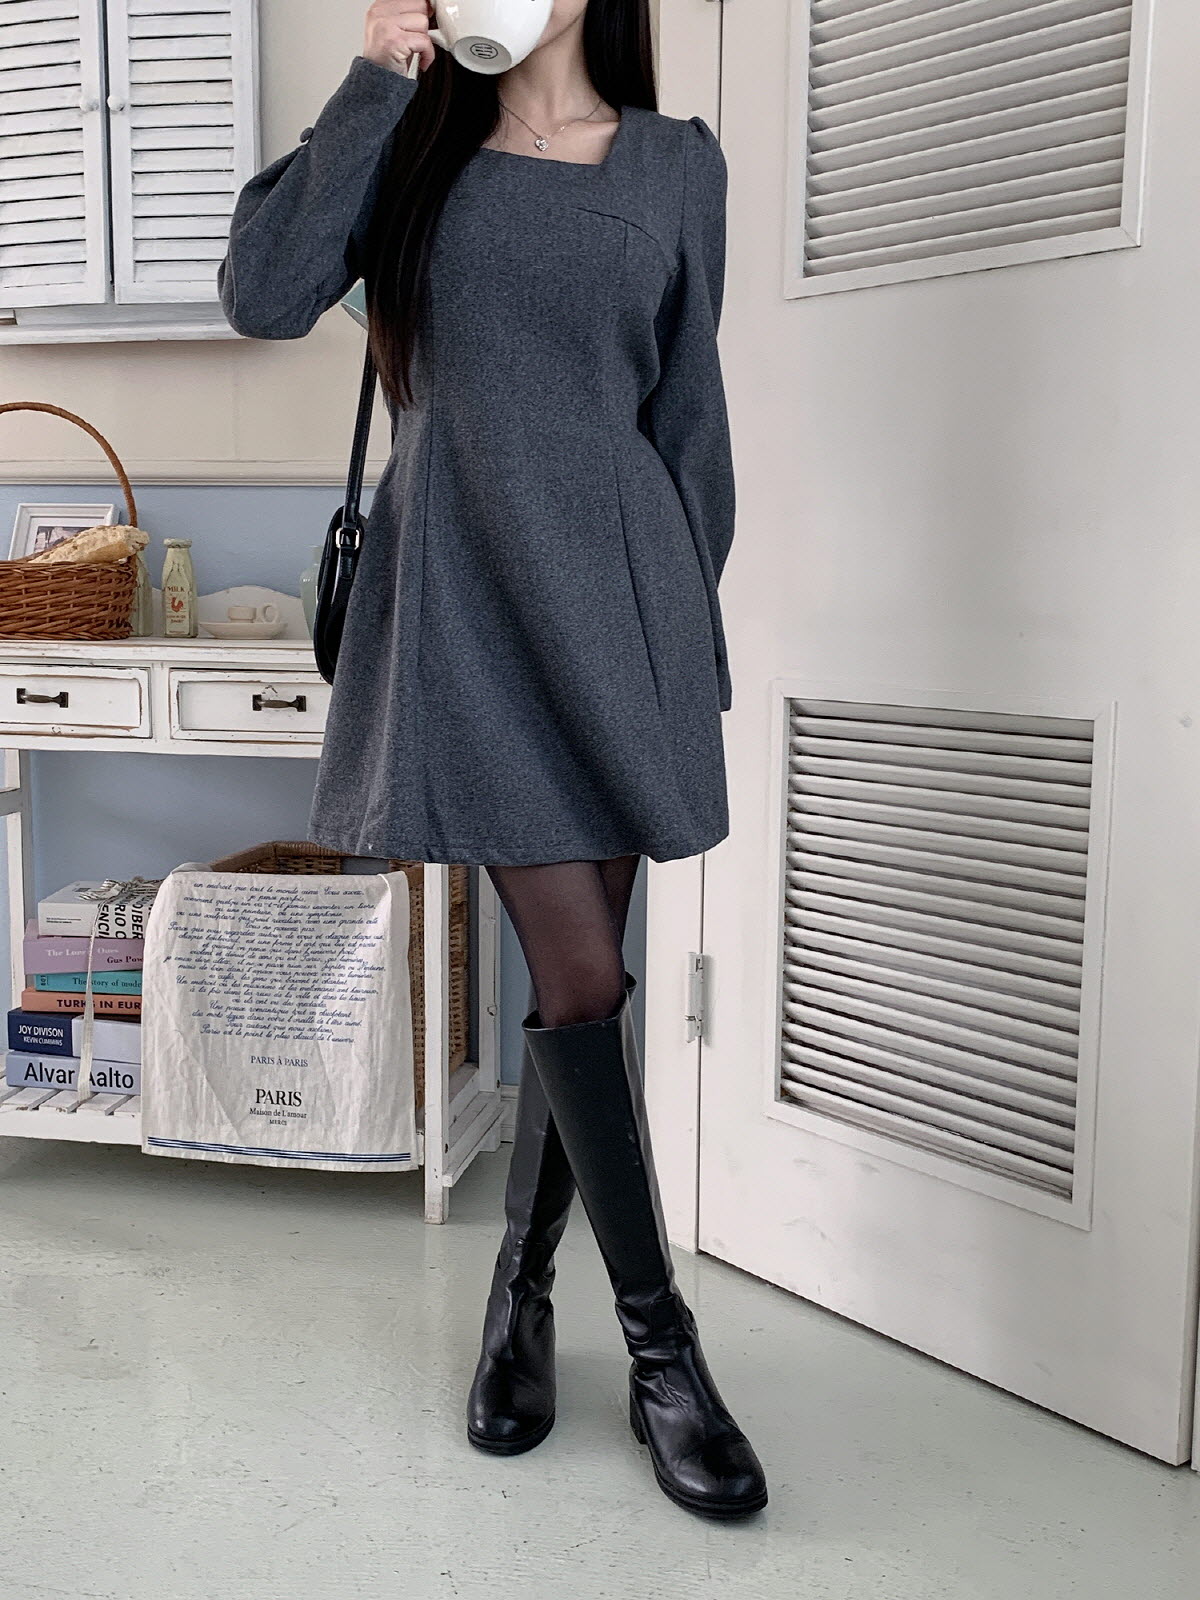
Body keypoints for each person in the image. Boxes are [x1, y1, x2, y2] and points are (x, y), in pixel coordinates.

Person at [216, 0, 766, 1520]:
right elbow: (263, 295)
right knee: (582, 977)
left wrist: (689, 648)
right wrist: (375, 74)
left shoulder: (676, 163)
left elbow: (691, 422)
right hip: (468, 598)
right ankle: (665, 1354)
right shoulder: (409, 144)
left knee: (577, 993)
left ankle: (519, 1293)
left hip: (625, 608)